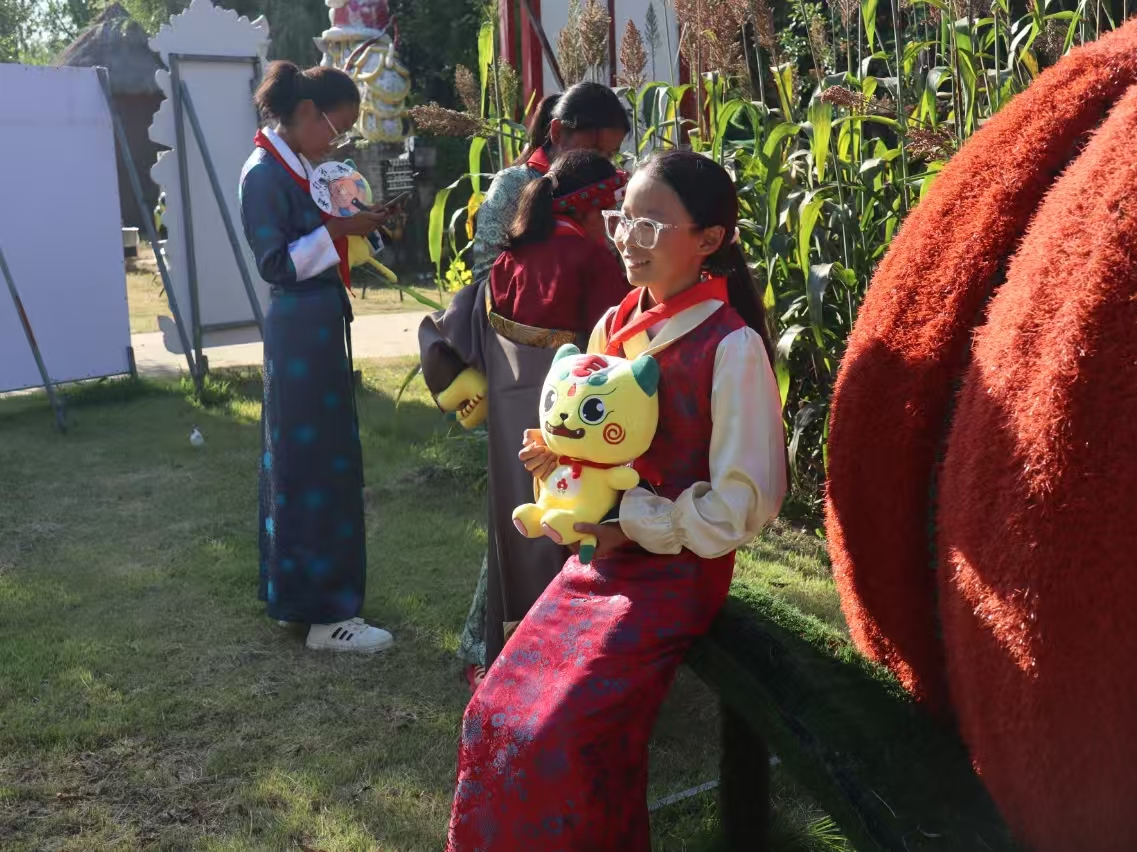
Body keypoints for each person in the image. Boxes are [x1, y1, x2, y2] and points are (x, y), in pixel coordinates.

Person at [445, 151, 788, 851]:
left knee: (556, 735)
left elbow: (742, 504)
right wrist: (559, 457)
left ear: (709, 240)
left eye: (650, 225)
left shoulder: (731, 347)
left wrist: (631, 525)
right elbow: (595, 442)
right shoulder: (615, 324)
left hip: (675, 573)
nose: (628, 238)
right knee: (493, 712)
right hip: (597, 561)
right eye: (622, 219)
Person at [419, 151, 631, 689]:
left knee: (515, 530)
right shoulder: (587, 257)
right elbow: (618, 342)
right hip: (569, 420)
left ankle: (510, 657)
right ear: (591, 206)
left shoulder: (512, 255)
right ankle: (561, 665)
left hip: (511, 414)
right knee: (568, 527)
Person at [238, 60, 393, 653]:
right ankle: (327, 617)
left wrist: (364, 223)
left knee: (318, 461)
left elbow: (328, 231)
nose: (337, 141)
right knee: (314, 465)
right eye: (337, 128)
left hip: (316, 325)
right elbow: (276, 263)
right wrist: (337, 232)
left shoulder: (299, 166)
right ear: (306, 113)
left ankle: (304, 599)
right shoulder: (263, 175)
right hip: (300, 327)